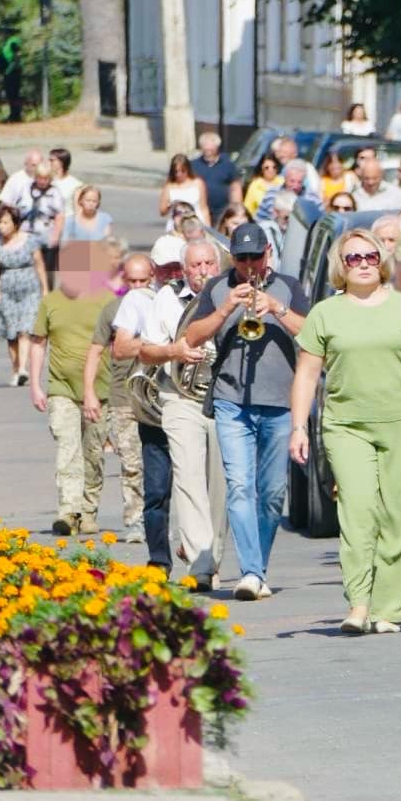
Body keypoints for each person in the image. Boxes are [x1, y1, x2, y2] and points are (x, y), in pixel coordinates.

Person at [291, 230, 401, 634]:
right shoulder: (324, 313)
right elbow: (306, 374)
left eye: (370, 255)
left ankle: (388, 609)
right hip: (345, 426)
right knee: (357, 512)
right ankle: (358, 604)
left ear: (381, 260)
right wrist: (299, 426)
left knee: (398, 518)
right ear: (342, 265)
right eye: (353, 258)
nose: (364, 263)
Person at [183, 223, 310, 602]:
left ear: (268, 252)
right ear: (232, 257)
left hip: (279, 401)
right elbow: (191, 337)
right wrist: (225, 309)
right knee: (239, 486)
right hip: (231, 399)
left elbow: (312, 333)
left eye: (256, 256)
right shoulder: (218, 287)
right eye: (242, 258)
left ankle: (258, 567)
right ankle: (251, 572)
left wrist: (275, 308)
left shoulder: (289, 286)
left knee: (271, 493)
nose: (249, 264)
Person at [137, 239, 229, 591]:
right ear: (184, 269)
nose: (203, 271)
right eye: (196, 266)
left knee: (220, 482)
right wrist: (175, 350)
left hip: (222, 395)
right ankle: (200, 562)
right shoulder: (167, 298)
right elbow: (146, 351)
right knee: (188, 475)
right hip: (180, 395)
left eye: (209, 264)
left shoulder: (230, 294)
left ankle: (213, 554)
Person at [109, 239, 186, 574]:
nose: (172, 273)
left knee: (195, 486)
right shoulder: (139, 300)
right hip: (154, 404)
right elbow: (121, 348)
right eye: (166, 267)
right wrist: (162, 347)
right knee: (156, 488)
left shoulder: (195, 296)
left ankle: (199, 557)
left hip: (191, 399)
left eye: (176, 266)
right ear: (154, 269)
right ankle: (159, 560)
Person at [29, 242, 115, 536]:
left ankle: (88, 511)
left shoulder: (106, 300)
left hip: (101, 391)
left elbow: (121, 343)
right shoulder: (50, 301)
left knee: (93, 454)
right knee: (68, 448)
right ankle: (68, 511)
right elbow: (38, 343)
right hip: (60, 389)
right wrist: (35, 385)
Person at [82, 252, 153, 545]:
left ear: (153, 278)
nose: (137, 286)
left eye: (143, 280)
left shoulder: (161, 306)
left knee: (160, 462)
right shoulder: (113, 310)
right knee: (132, 462)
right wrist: (89, 394)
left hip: (157, 397)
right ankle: (135, 519)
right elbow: (95, 351)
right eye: (132, 280)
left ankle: (158, 516)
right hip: (123, 398)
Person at [0, 205, 48, 386]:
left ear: (15, 224)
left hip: (30, 289)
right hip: (8, 291)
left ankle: (23, 368)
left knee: (25, 329)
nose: (1, 226)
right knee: (11, 334)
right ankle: (16, 369)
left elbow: (39, 264)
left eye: (5, 222)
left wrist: (45, 288)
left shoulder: (30, 240)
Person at [192, 132, 241, 211]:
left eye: (210, 150)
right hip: (199, 210)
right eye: (205, 149)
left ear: (217, 147)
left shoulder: (228, 165)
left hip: (222, 210)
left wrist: (236, 208)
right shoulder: (193, 165)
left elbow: (235, 188)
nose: (208, 152)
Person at [161, 153, 211, 229]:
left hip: (196, 223)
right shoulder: (169, 186)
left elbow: (203, 208)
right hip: (176, 225)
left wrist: (208, 227)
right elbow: (162, 211)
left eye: (182, 171)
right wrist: (170, 205)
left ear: (188, 169)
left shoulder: (198, 183)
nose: (179, 174)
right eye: (176, 171)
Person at [49, 149, 81, 220]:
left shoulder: (75, 184)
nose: (49, 163)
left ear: (61, 162)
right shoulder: (47, 181)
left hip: (67, 221)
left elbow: (78, 210)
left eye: (52, 160)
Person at [0, 32, 23, 122]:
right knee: (11, 95)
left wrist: (8, 71)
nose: (1, 35)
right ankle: (14, 115)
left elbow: (17, 57)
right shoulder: (10, 42)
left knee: (13, 94)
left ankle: (15, 116)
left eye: (2, 33)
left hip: (13, 72)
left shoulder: (12, 42)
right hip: (12, 72)